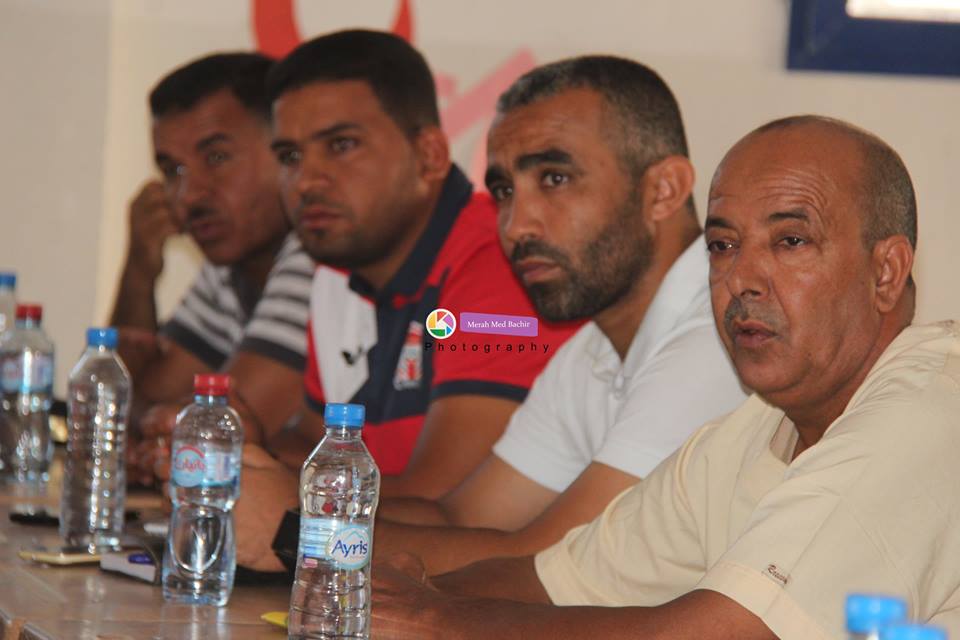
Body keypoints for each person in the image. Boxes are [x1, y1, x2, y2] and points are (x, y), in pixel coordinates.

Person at [371, 116, 960, 640]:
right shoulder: (750, 430)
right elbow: (555, 582)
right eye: (723, 245)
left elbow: (723, 633)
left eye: (790, 241)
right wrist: (408, 593)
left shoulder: (928, 409)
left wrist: (432, 621)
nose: (741, 278)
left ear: (887, 272)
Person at [372, 56, 745, 575]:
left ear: (662, 190)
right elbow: (462, 518)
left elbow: (548, 565)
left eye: (554, 178)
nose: (515, 225)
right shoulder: (591, 349)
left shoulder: (720, 338)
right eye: (504, 191)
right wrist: (300, 504)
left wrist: (297, 532)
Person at [230, 30, 576, 571]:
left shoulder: (498, 260)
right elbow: (318, 445)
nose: (307, 181)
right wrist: (247, 455)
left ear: (429, 155)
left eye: (341, 145)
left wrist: (290, 516)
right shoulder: (336, 272)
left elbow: (446, 506)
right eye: (290, 156)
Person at [110, 53, 315, 477]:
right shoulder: (229, 267)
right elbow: (116, 413)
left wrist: (151, 425)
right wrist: (139, 272)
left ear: (285, 151)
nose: (188, 195)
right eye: (173, 169)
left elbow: (216, 439)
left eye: (217, 157)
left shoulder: (316, 258)